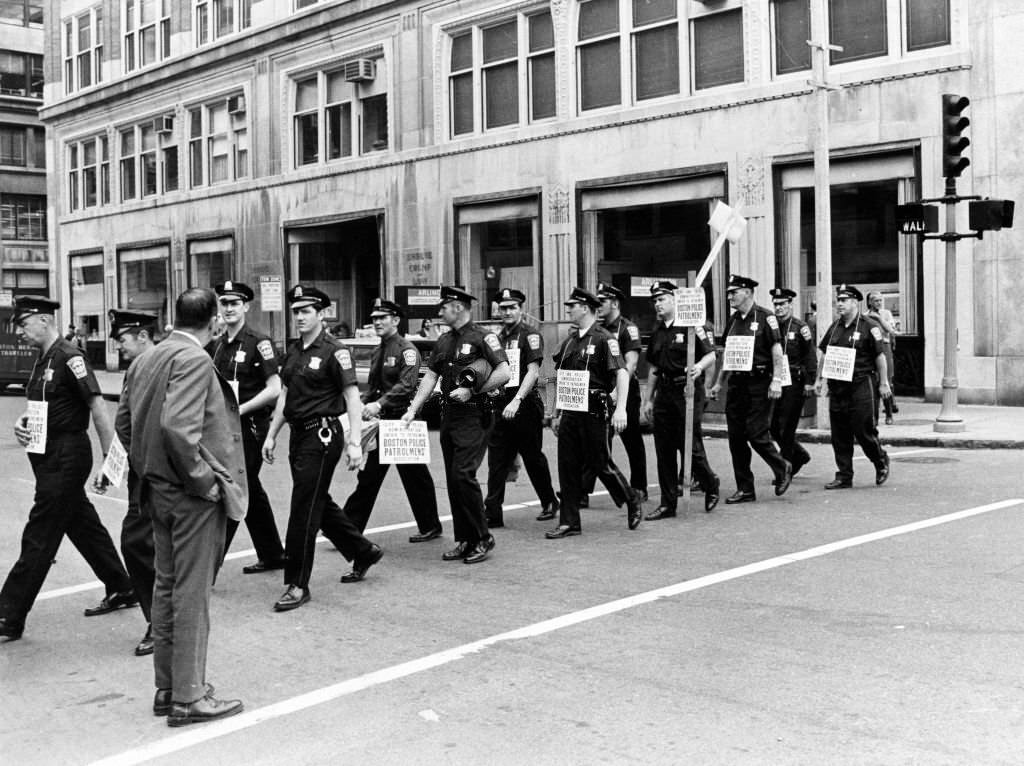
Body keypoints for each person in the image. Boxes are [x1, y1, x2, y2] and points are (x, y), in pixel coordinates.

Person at [119, 288, 245, 725]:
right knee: (191, 593)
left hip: (156, 491)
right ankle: (188, 697)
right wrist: (203, 480)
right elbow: (179, 427)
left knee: (167, 587)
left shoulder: (145, 359)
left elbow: (125, 425)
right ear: (212, 321)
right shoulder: (193, 359)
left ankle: (168, 687)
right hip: (188, 495)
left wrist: (150, 469)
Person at [0, 296, 136, 644]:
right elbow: (42, 406)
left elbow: (97, 407)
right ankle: (122, 587)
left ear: (44, 321)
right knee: (82, 525)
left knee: (39, 535)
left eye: (24, 323)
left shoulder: (70, 357)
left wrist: (110, 460)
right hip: (47, 455)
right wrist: (22, 420)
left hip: (67, 456)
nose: (20, 331)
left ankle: (8, 614)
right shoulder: (42, 359)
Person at [262, 285, 381, 610]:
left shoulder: (335, 350)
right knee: (316, 499)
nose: (299, 316)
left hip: (324, 435)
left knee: (303, 507)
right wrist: (272, 433)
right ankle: (362, 551)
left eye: (306, 311)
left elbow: (352, 398)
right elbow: (285, 395)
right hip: (299, 436)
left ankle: (297, 583)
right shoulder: (294, 350)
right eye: (296, 311)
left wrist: (355, 442)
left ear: (322, 313)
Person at [402, 286, 510, 564]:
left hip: (475, 415)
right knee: (453, 479)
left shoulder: (484, 337)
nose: (440, 312)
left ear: (458, 307)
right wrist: (413, 409)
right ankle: (465, 539)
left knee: (463, 474)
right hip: (450, 416)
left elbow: (504, 372)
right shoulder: (444, 340)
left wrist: (473, 390)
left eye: (444, 306)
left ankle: (482, 537)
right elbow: (430, 377)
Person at [340, 298, 442, 551]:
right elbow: (373, 386)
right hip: (382, 422)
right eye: (374, 318)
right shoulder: (378, 350)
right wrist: (363, 404)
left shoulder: (407, 350)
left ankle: (430, 525)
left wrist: (379, 403)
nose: (376, 322)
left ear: (395, 320)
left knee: (415, 477)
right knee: (369, 477)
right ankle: (348, 529)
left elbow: (407, 386)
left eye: (382, 318)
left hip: (403, 422)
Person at [547, 287, 643, 538]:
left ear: (587, 308)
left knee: (600, 463)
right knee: (567, 466)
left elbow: (621, 372)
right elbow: (559, 377)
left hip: (593, 410)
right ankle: (569, 521)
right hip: (570, 410)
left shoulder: (604, 338)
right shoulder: (568, 342)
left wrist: (620, 408)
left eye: (573, 305)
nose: (569, 309)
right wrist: (555, 413)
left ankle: (630, 498)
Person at [209, 281, 287, 574]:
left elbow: (274, 388)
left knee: (234, 487)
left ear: (246, 307)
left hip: (250, 427)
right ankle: (273, 553)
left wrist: (239, 409)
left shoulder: (258, 341)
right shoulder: (218, 345)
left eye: (234, 303)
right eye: (224, 303)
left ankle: (209, 565)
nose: (228, 308)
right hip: (226, 429)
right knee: (250, 489)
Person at [709, 274, 792, 504]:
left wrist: (777, 380)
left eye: (733, 292)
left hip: (759, 382)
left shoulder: (766, 317)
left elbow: (777, 351)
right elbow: (728, 354)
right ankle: (745, 488)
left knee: (756, 433)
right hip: (737, 383)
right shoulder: (734, 320)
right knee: (736, 438)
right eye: (728, 292)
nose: (730, 296)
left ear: (747, 292)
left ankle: (781, 465)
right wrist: (718, 383)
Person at [640, 281, 720, 518]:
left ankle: (709, 482)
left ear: (675, 300)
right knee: (663, 448)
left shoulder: (691, 326)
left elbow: (711, 354)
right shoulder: (657, 332)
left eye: (662, 299)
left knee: (689, 445)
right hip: (664, 391)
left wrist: (698, 367)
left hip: (686, 391)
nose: (657, 304)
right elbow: (654, 367)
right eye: (655, 300)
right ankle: (668, 503)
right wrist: (648, 399)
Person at [107, 309, 161, 657]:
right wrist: (111, 464)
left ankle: (162, 623)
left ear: (142, 336)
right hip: (137, 472)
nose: (120, 348)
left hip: (158, 472)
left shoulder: (161, 365)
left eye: (124, 340)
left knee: (141, 543)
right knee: (139, 544)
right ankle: (160, 619)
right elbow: (124, 419)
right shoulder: (134, 370)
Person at [483, 288, 559, 527]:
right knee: (497, 459)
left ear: (521, 309)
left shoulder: (530, 335)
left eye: (512, 307)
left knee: (532, 456)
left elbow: (533, 372)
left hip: (524, 403)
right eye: (503, 308)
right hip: (500, 402)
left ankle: (549, 501)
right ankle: (493, 512)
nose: (507, 312)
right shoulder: (497, 338)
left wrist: (517, 400)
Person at [814, 284, 891, 489]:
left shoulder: (869, 326)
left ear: (855, 302)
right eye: (838, 301)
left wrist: (883, 383)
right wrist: (819, 379)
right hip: (838, 386)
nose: (839, 304)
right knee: (839, 433)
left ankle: (880, 459)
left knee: (863, 429)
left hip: (861, 383)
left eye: (844, 300)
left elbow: (880, 356)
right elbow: (824, 354)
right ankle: (844, 475)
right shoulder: (835, 327)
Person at [583, 282, 648, 501]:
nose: (598, 306)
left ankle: (639, 487)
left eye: (602, 301)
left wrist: (617, 392)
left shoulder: (627, 329)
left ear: (615, 303)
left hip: (625, 391)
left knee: (632, 439)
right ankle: (583, 490)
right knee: (596, 441)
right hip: (601, 392)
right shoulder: (597, 330)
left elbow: (630, 364)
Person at [768, 288, 817, 478]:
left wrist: (809, 382)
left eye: (782, 304)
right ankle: (799, 455)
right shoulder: (771, 326)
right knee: (773, 426)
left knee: (786, 427)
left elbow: (810, 355)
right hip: (776, 381)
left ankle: (785, 467)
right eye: (776, 304)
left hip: (795, 382)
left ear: (790, 304)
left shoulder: (800, 327)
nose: (779, 308)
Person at [866, 291, 899, 425]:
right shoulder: (864, 316)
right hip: (871, 348)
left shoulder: (886, 314)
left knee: (887, 380)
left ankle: (889, 413)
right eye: (876, 300)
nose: (879, 303)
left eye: (880, 300)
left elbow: (890, 330)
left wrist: (879, 318)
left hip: (884, 347)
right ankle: (874, 416)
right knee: (874, 382)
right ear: (869, 302)